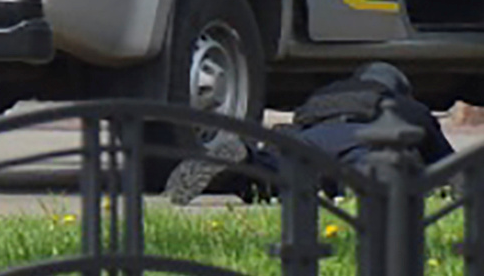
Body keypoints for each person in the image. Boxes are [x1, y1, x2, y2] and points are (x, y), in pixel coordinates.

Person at [165, 62, 455, 204]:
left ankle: (247, 164)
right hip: (365, 141)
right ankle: (363, 184)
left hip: (307, 141)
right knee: (381, 167)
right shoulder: (406, 106)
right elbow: (448, 165)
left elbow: (297, 125)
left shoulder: (326, 95)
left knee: (280, 171)